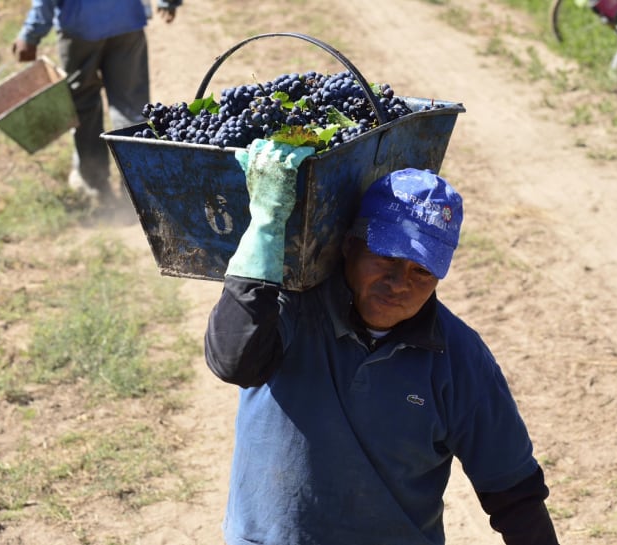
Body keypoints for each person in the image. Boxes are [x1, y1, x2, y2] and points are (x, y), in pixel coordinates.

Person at [204, 139, 561, 545]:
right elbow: (233, 360)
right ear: (349, 246)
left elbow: (515, 495)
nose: (398, 284)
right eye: (386, 259)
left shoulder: (459, 358)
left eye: (421, 272)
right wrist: (267, 221)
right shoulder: (292, 309)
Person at [12, 0, 182, 204]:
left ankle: (96, 186)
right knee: (131, 107)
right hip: (125, 20)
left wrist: (31, 34)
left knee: (84, 107)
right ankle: (138, 188)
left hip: (80, 28)